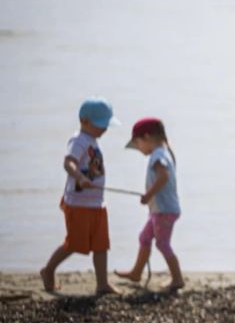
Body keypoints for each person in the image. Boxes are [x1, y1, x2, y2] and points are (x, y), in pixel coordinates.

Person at [41, 97, 120, 295]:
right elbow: (69, 163)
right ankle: (48, 270)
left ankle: (102, 283)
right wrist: (79, 177)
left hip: (97, 203)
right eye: (100, 125)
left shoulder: (93, 140)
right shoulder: (78, 140)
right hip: (78, 203)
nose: (104, 129)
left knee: (101, 244)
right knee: (74, 244)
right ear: (84, 121)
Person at [115, 118, 184, 291]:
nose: (138, 149)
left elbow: (163, 176)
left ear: (146, 137)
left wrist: (148, 195)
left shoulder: (158, 155)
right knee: (144, 238)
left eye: (138, 144)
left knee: (162, 244)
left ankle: (177, 279)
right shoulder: (164, 151)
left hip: (164, 210)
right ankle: (136, 273)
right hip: (160, 210)